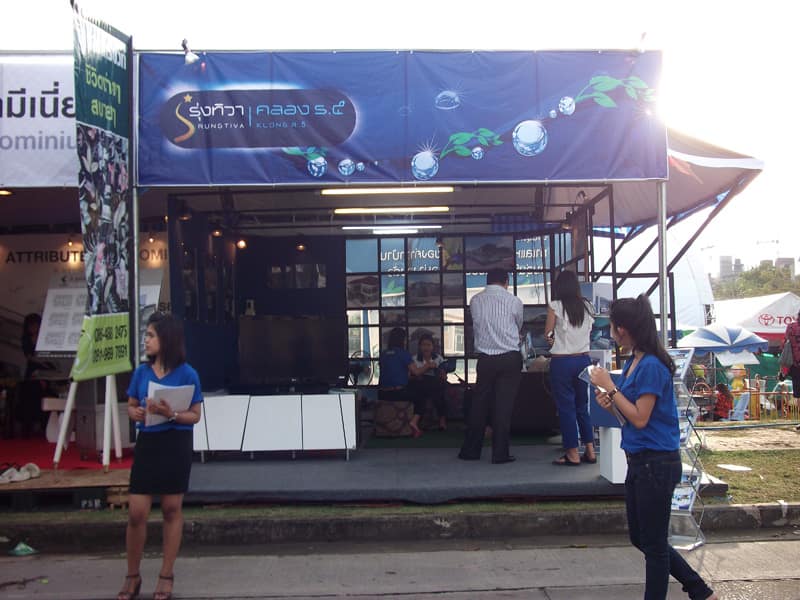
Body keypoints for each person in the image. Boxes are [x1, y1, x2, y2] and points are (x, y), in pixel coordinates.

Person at [589, 295, 718, 600]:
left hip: (656, 463)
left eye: (612, 328)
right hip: (639, 459)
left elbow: (641, 417)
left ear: (623, 328)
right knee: (642, 537)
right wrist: (611, 404)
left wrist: (611, 387)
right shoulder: (634, 362)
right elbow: (628, 417)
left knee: (654, 544)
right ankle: (699, 590)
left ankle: (695, 590)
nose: (611, 334)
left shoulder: (651, 365)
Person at [118, 312, 203, 600]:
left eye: (151, 335)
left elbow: (195, 416)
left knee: (170, 508)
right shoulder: (142, 372)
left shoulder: (188, 374)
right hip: (149, 443)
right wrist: (136, 412)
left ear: (167, 339)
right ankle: (132, 575)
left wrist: (172, 414)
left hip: (175, 443)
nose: (146, 340)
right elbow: (131, 404)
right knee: (136, 512)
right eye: (146, 335)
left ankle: (166, 575)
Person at [458, 268, 523, 464]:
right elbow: (518, 325)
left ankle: (471, 451)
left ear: (487, 281)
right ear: (506, 282)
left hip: (485, 359)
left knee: (479, 404)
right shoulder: (514, 301)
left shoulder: (475, 300)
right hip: (510, 358)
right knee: (503, 406)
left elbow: (477, 324)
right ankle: (500, 454)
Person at [545, 270, 596, 466]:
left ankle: (572, 453)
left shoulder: (555, 306)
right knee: (583, 406)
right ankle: (590, 450)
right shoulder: (587, 306)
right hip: (584, 360)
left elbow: (548, 333)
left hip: (562, 362)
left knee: (566, 407)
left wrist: (553, 342)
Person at [378, 327, 427, 437]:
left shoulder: (383, 354)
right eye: (405, 339)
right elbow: (417, 372)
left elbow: (389, 373)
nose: (406, 341)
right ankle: (414, 422)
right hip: (397, 393)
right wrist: (428, 365)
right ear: (401, 340)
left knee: (414, 386)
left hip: (382, 393)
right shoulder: (403, 354)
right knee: (422, 395)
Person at [408, 332, 449, 431]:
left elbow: (444, 375)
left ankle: (441, 421)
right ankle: (427, 421)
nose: (426, 348)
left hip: (435, 385)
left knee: (438, 390)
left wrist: (442, 374)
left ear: (433, 346)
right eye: (423, 345)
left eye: (428, 345)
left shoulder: (438, 358)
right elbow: (411, 376)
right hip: (420, 385)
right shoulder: (414, 359)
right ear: (419, 346)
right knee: (425, 388)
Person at [17, 313, 48, 438]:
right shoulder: (26, 339)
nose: (34, 327)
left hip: (44, 370)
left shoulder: (44, 338)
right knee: (29, 399)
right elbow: (29, 356)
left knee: (43, 397)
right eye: (32, 325)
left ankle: (43, 426)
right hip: (33, 371)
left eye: (36, 325)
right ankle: (28, 427)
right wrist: (41, 362)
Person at [783, 312, 800, 431]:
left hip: (796, 365)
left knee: (799, 395)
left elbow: (785, 344)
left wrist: (783, 369)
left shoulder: (791, 327)